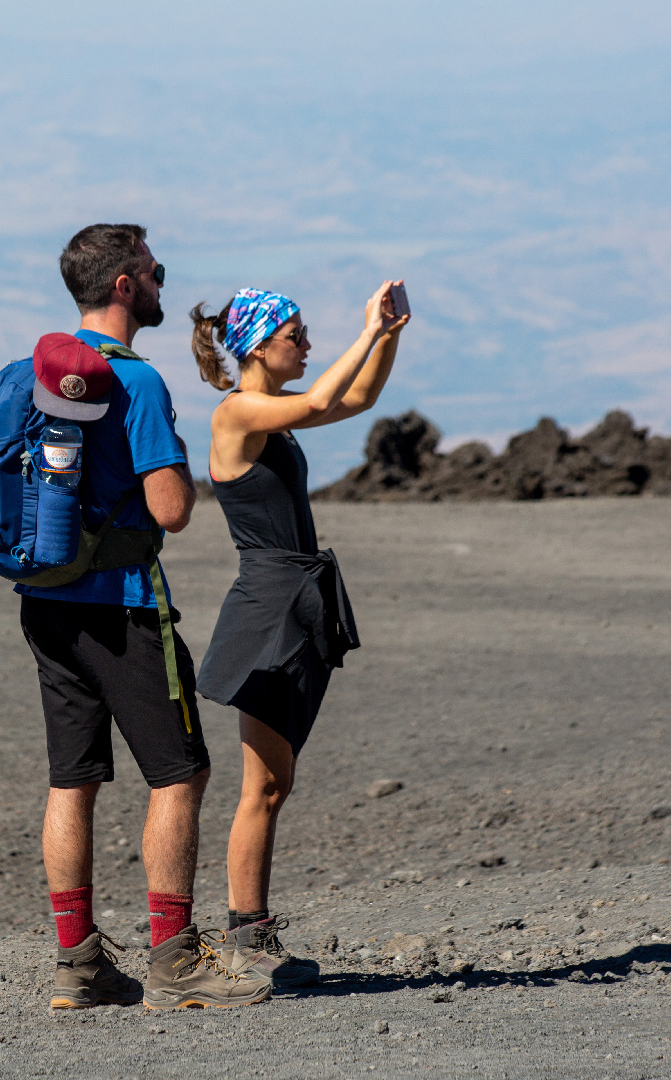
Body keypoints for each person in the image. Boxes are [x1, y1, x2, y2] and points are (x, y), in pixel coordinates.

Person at [19, 224, 272, 1011]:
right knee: (180, 773)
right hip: (124, 608)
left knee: (73, 781)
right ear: (126, 283)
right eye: (155, 270)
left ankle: (79, 968)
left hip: (46, 603)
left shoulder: (41, 371)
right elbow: (171, 511)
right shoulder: (135, 382)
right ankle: (173, 961)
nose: (164, 282)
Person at [190, 281, 409, 987]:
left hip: (297, 603)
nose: (307, 345)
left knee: (276, 783)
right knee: (261, 785)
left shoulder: (272, 419)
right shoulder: (237, 413)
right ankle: (244, 941)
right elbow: (322, 400)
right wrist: (365, 328)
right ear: (258, 345)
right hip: (266, 609)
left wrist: (388, 334)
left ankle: (251, 937)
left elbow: (356, 401)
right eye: (296, 335)